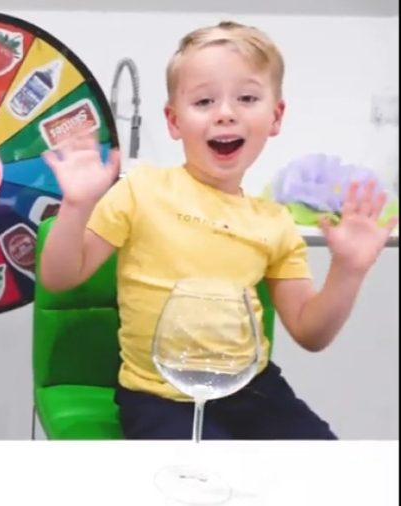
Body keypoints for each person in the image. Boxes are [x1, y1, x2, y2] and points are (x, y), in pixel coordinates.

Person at [39, 21, 397, 440]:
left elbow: (310, 332)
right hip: (160, 396)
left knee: (324, 464)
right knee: (207, 470)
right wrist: (77, 205)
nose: (226, 112)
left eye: (247, 98)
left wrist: (348, 270)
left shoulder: (275, 221)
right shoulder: (141, 190)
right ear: (174, 120)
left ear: (275, 116)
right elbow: (60, 277)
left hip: (255, 391)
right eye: (204, 101)